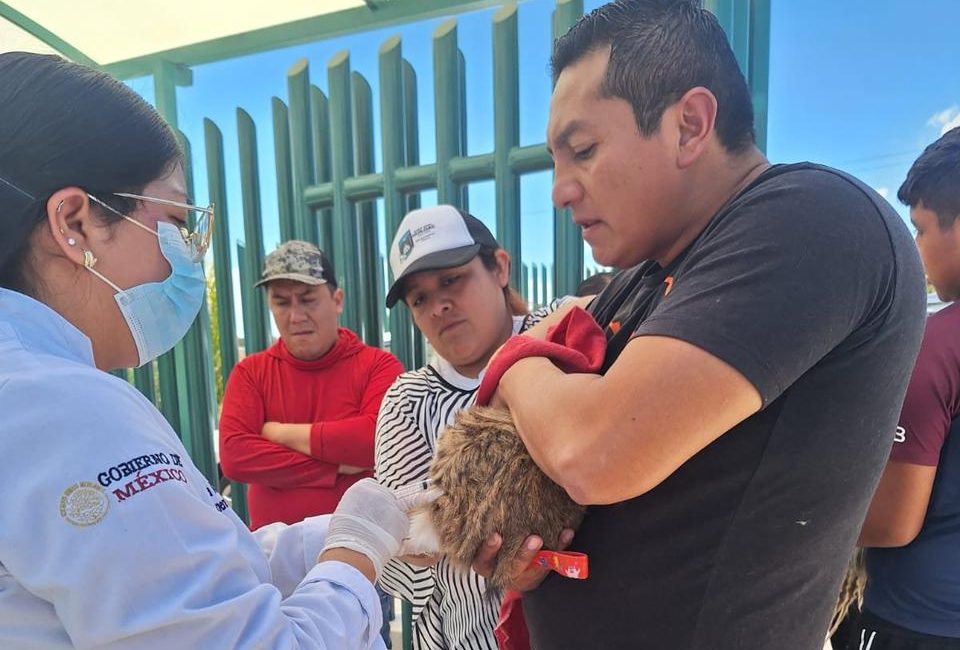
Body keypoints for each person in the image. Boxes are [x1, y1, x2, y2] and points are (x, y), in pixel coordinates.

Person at [470, 2, 928, 649]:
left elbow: (591, 450)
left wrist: (514, 357)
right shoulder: (641, 279)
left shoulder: (812, 220)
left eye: (583, 150)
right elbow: (577, 479)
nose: (560, 190)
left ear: (689, 125)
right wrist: (535, 556)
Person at [0, 51, 416, 649]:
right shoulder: (65, 407)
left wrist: (332, 523)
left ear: (338, 298)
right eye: (173, 218)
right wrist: (354, 552)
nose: (188, 254)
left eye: (309, 297)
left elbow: (190, 571)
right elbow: (240, 463)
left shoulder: (39, 395)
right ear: (76, 222)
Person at [374, 205, 586, 649]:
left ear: (500, 267)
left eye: (451, 279)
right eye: (419, 299)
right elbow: (406, 571)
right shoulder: (409, 401)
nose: (439, 306)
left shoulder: (564, 328)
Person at [840, 127, 960, 650]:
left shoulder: (938, 343)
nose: (915, 250)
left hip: (909, 621)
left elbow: (892, 522)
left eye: (921, 229)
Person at [219, 240, 404, 529]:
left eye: (308, 300)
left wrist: (277, 433)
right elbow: (235, 456)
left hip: (362, 556)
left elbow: (374, 442)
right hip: (275, 561)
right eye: (281, 302)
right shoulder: (250, 373)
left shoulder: (378, 366)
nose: (296, 316)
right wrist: (335, 466)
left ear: (337, 300)